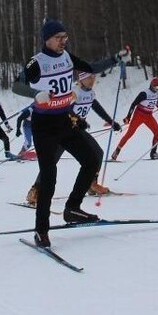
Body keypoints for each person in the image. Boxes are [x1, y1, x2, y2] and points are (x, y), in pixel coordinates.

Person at [18, 19, 126, 247]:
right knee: (49, 177)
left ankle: (73, 209)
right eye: (59, 38)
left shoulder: (67, 57)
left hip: (65, 121)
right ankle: (41, 230)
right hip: (44, 126)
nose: (63, 42)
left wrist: (115, 59)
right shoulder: (36, 62)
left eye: (65, 37)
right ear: (47, 39)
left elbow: (91, 67)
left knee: (92, 158)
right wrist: (35, 93)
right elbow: (16, 86)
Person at [111, 77, 158, 161]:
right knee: (129, 133)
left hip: (149, 116)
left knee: (157, 132)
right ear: (151, 86)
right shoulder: (144, 93)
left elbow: (155, 100)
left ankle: (153, 153)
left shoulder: (156, 92)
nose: (157, 89)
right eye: (156, 87)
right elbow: (133, 104)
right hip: (139, 115)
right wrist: (128, 117)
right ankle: (116, 151)